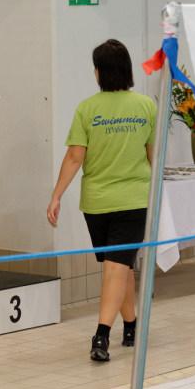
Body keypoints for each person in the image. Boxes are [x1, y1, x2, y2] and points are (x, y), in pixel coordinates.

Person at [47, 39, 156, 362]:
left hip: (98, 202)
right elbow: (154, 156)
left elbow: (74, 157)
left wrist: (56, 195)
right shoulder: (146, 107)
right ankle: (130, 325)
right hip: (134, 199)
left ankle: (103, 334)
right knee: (119, 266)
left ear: (98, 72)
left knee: (115, 266)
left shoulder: (88, 108)